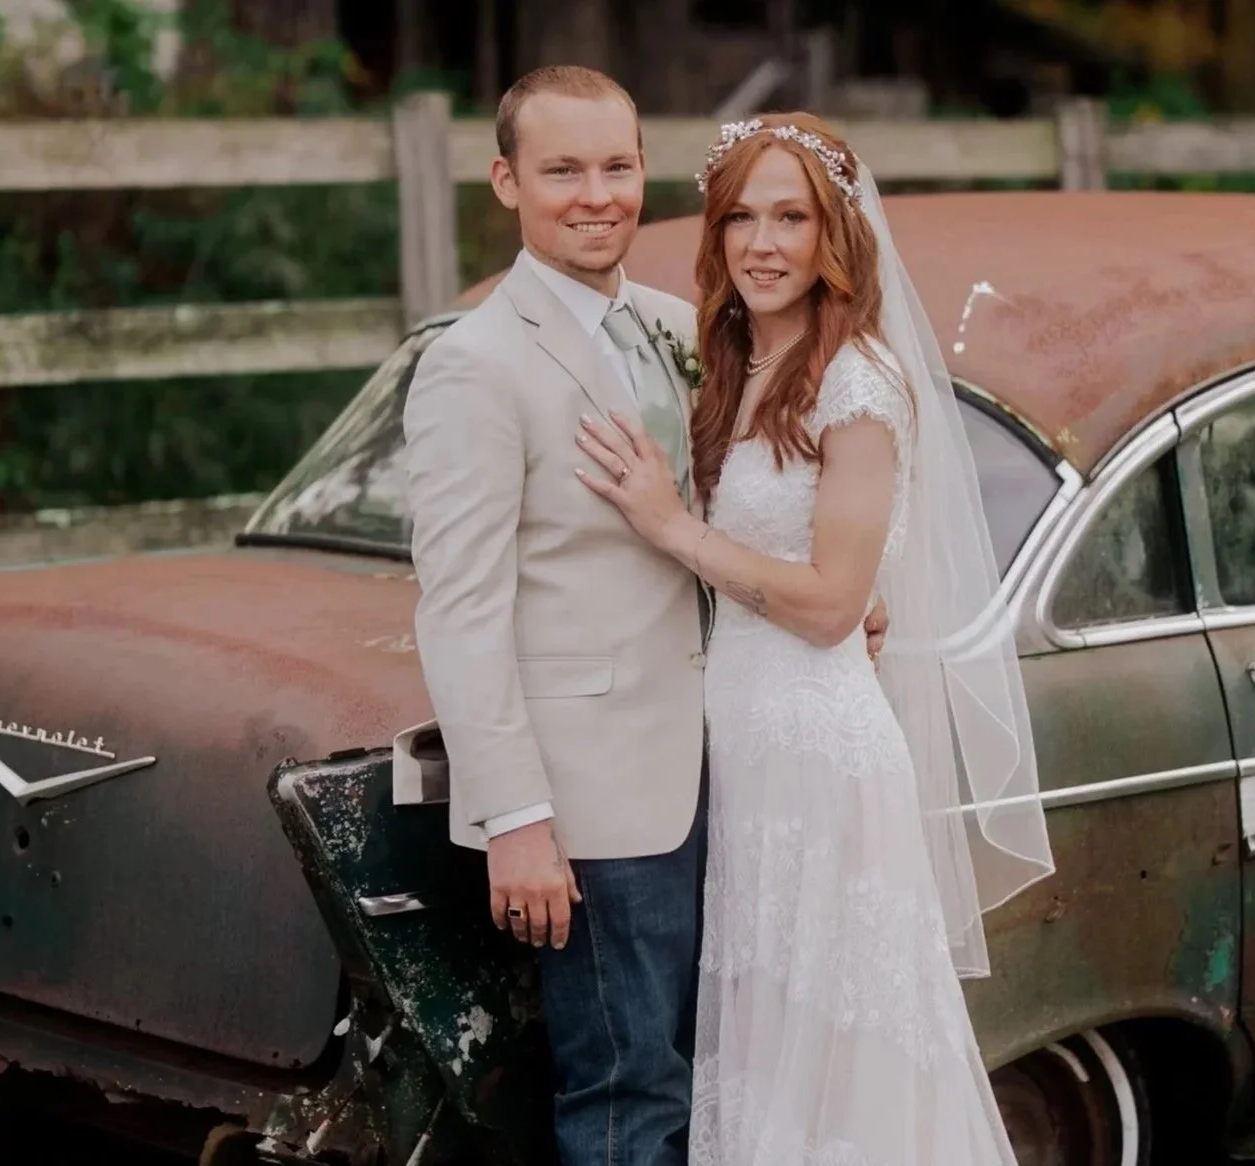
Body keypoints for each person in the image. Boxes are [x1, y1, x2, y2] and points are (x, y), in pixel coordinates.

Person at [403, 71, 887, 1166]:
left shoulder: (689, 329)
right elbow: (462, 609)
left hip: (747, 771)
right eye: (562, 169)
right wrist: (514, 814)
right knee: (629, 1091)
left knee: (736, 1074)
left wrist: (840, 592)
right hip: (599, 805)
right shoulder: (472, 364)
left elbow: (755, 506)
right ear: (504, 181)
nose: (596, 194)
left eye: (615, 167)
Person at [573, 113, 1056, 1164]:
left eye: (790, 216)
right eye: (740, 216)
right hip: (732, 747)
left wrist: (672, 526)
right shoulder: (724, 362)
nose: (762, 242)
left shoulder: (859, 382)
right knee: (758, 1049)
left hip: (817, 759)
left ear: (834, 232)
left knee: (839, 1058)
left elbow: (835, 601)